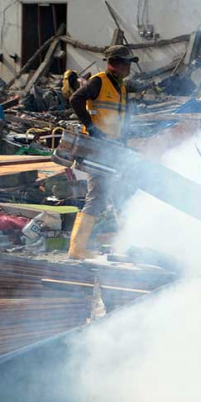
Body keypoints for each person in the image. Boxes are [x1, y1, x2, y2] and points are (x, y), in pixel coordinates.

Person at [67, 45, 139, 259]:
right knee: (97, 196)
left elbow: (121, 118)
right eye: (127, 63)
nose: (129, 68)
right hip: (98, 149)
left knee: (120, 194)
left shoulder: (121, 87)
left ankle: (126, 245)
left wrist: (125, 143)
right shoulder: (98, 81)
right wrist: (91, 127)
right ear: (116, 63)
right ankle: (77, 248)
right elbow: (75, 99)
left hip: (114, 148)